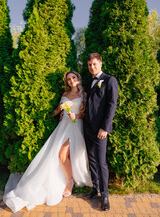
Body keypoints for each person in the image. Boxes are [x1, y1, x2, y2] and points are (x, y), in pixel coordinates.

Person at [3, 71, 92, 213]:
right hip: (63, 127)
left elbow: (87, 113)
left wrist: (76, 115)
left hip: (76, 127)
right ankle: (69, 179)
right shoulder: (64, 95)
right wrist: (50, 115)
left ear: (78, 78)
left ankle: (70, 182)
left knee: (62, 155)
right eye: (68, 79)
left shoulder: (84, 95)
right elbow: (57, 110)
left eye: (73, 78)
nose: (71, 81)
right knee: (62, 156)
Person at [83, 53, 118, 211]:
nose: (92, 67)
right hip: (88, 128)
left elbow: (112, 104)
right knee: (92, 160)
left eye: (95, 64)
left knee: (101, 162)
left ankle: (104, 195)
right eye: (90, 65)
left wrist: (105, 127)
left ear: (100, 64)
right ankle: (95, 188)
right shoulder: (90, 82)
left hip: (100, 130)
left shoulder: (110, 80)